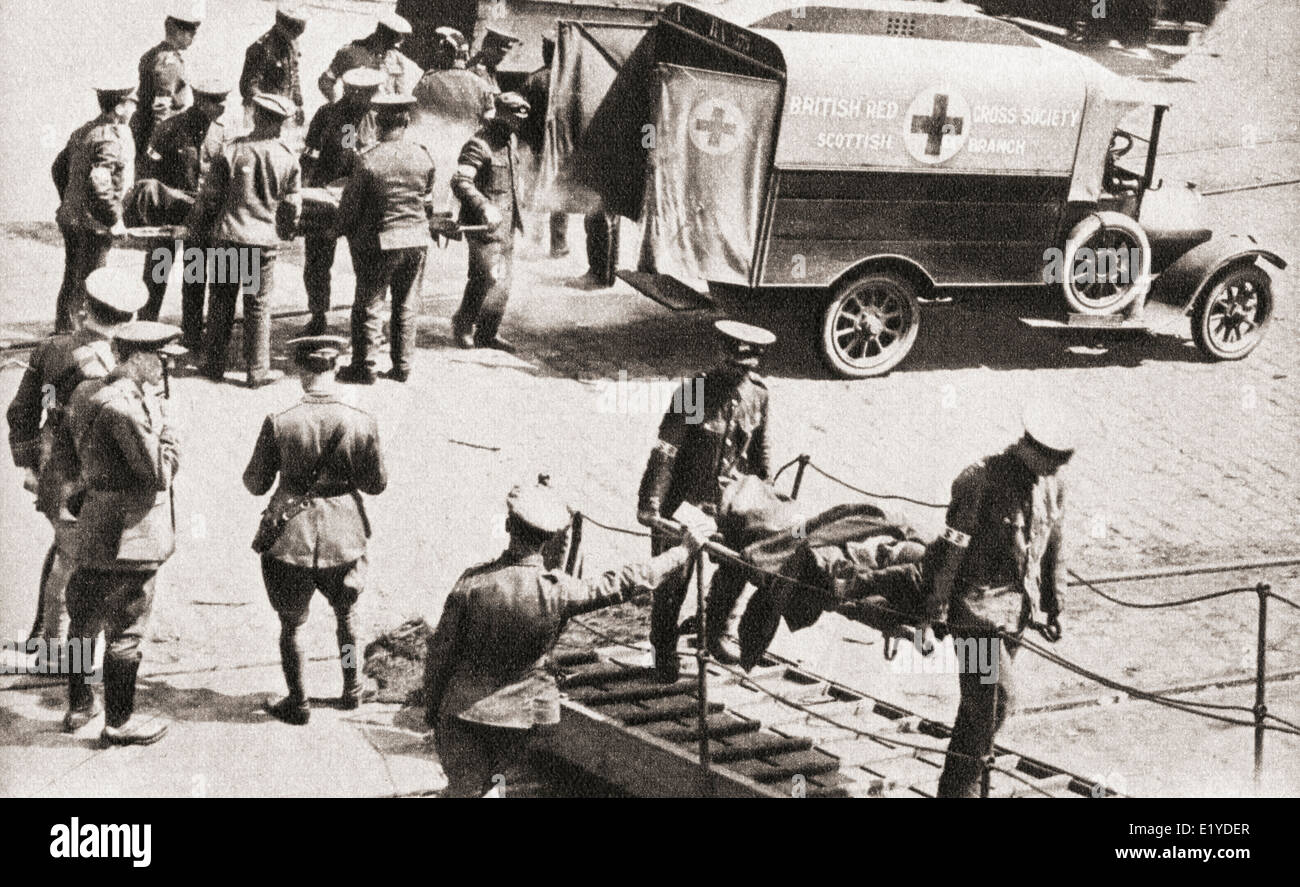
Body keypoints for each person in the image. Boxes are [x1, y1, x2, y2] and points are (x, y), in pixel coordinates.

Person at [423, 478, 708, 797]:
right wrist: (682, 552)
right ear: (548, 539)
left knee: (469, 788)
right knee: (491, 783)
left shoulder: (474, 583)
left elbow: (440, 652)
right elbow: (623, 583)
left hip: (463, 715)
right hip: (520, 718)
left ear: (508, 525)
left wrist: (432, 708)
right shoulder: (557, 590)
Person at [921, 402, 1075, 798]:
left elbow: (1052, 545)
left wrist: (1053, 604)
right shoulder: (981, 480)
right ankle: (964, 792)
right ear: (1031, 447)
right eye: (1053, 460)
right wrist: (933, 612)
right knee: (997, 700)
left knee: (978, 709)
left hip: (1015, 614)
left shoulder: (1051, 485)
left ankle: (958, 790)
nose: (1057, 470)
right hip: (973, 614)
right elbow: (952, 549)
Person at [242, 335, 389, 725]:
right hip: (346, 536)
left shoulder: (280, 421)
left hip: (290, 538)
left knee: (292, 625)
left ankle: (298, 700)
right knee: (347, 618)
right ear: (336, 368)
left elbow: (254, 483)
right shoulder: (362, 421)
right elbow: (376, 484)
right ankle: (352, 689)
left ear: (299, 370)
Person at [7, 269, 144, 670]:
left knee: (64, 553)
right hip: (89, 481)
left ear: (87, 306)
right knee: (75, 568)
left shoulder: (50, 349)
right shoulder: (111, 367)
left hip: (54, 473)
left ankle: (41, 639)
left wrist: (31, 464)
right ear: (128, 318)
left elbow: (20, 413)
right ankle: (57, 657)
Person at [63, 321, 183, 746]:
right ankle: (119, 721)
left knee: (82, 622)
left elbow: (68, 452)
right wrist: (168, 431)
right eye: (160, 360)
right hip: (130, 535)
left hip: (95, 524)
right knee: (126, 632)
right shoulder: (126, 407)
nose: (165, 368)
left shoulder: (86, 391)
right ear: (136, 358)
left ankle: (79, 706)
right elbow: (157, 475)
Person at [636, 320, 774, 681]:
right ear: (721, 355)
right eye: (733, 366)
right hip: (686, 501)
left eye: (746, 369)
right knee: (672, 580)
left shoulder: (757, 395)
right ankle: (663, 647)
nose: (739, 374)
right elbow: (668, 449)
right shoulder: (697, 392)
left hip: (728, 505)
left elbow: (760, 457)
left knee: (744, 561)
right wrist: (652, 503)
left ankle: (715, 631)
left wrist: (768, 502)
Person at [188, 92, 302, 388]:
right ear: (277, 123)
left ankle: (213, 365)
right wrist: (284, 232)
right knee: (258, 306)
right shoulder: (288, 158)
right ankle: (257, 372)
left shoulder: (233, 151)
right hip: (262, 244)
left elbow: (209, 199)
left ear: (256, 117)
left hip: (229, 238)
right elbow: (292, 207)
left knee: (222, 301)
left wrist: (199, 228)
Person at [336, 94, 435, 384]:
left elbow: (350, 207)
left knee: (369, 304)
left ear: (378, 123)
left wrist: (338, 229)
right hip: (416, 240)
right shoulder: (423, 156)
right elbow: (426, 199)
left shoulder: (367, 161)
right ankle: (402, 366)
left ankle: (364, 367)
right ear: (406, 121)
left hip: (381, 243)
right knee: (406, 305)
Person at [132, 78, 228, 342]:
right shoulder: (169, 128)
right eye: (216, 101)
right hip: (168, 217)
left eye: (224, 100)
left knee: (194, 277)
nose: (222, 107)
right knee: (157, 274)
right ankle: (143, 332)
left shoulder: (220, 133)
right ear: (199, 98)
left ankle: (192, 334)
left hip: (199, 219)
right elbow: (146, 173)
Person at [299, 67, 384, 336]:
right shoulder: (331, 115)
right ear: (351, 92)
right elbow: (312, 155)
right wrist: (304, 191)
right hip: (326, 197)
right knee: (317, 261)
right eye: (366, 94)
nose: (372, 98)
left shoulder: (378, 117)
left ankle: (367, 320)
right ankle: (318, 314)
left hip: (361, 202)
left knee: (367, 262)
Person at [52, 84, 137, 332]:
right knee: (92, 280)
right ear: (120, 106)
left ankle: (63, 331)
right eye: (131, 103)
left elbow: (58, 168)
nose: (133, 108)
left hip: (72, 218)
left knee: (72, 277)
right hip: (93, 223)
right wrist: (114, 219)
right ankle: (80, 337)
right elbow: (100, 182)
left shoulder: (84, 130)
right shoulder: (111, 137)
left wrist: (70, 201)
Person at [450, 92, 529, 352]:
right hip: (483, 226)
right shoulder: (478, 144)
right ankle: (463, 323)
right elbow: (461, 181)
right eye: (513, 122)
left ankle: (488, 332)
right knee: (484, 277)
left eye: (519, 123)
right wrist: (484, 206)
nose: (516, 127)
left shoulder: (511, 141)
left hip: (508, 225)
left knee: (505, 282)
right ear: (501, 116)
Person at [130, 1, 204, 159]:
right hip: (159, 137)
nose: (193, 38)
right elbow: (161, 107)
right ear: (178, 32)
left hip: (144, 130)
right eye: (192, 33)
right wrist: (155, 149)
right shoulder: (169, 62)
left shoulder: (153, 54)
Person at [318, 13, 420, 103]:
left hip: (385, 117)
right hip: (357, 117)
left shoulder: (395, 57)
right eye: (392, 41)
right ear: (382, 35)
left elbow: (400, 92)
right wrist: (336, 102)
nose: (394, 46)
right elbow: (325, 81)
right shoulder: (351, 53)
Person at [239, 1, 310, 129]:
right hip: (261, 112)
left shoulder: (292, 43)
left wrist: (298, 104)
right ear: (282, 26)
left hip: (284, 108)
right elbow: (248, 87)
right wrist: (269, 108)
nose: (296, 37)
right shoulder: (261, 48)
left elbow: (294, 75)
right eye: (294, 32)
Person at [412, 27, 493, 125]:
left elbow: (415, 117)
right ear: (466, 55)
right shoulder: (482, 85)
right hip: (468, 138)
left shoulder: (428, 81)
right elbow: (489, 118)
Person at [467, 27, 521, 93]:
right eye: (499, 52)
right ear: (486, 47)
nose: (501, 58)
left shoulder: (490, 71)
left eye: (504, 54)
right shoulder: (473, 70)